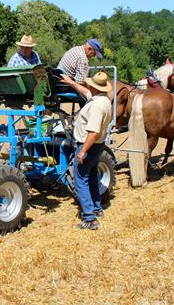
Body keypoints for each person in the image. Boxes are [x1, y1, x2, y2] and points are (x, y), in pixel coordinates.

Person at [65, 72, 112, 230]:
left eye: (90, 84)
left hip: (89, 145)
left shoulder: (97, 106)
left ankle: (90, 218)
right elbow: (85, 92)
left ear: (94, 86)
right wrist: (70, 82)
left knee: (81, 179)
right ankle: (97, 209)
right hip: (98, 146)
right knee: (92, 176)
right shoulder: (104, 99)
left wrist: (82, 150)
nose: (88, 85)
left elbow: (93, 132)